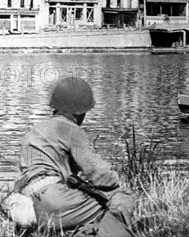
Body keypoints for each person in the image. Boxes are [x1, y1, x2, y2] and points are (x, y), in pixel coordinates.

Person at [13, 76, 136, 236]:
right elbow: (100, 175)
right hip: (54, 203)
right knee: (120, 198)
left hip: (28, 206)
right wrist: (116, 180)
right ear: (79, 113)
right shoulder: (72, 130)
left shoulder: (35, 130)